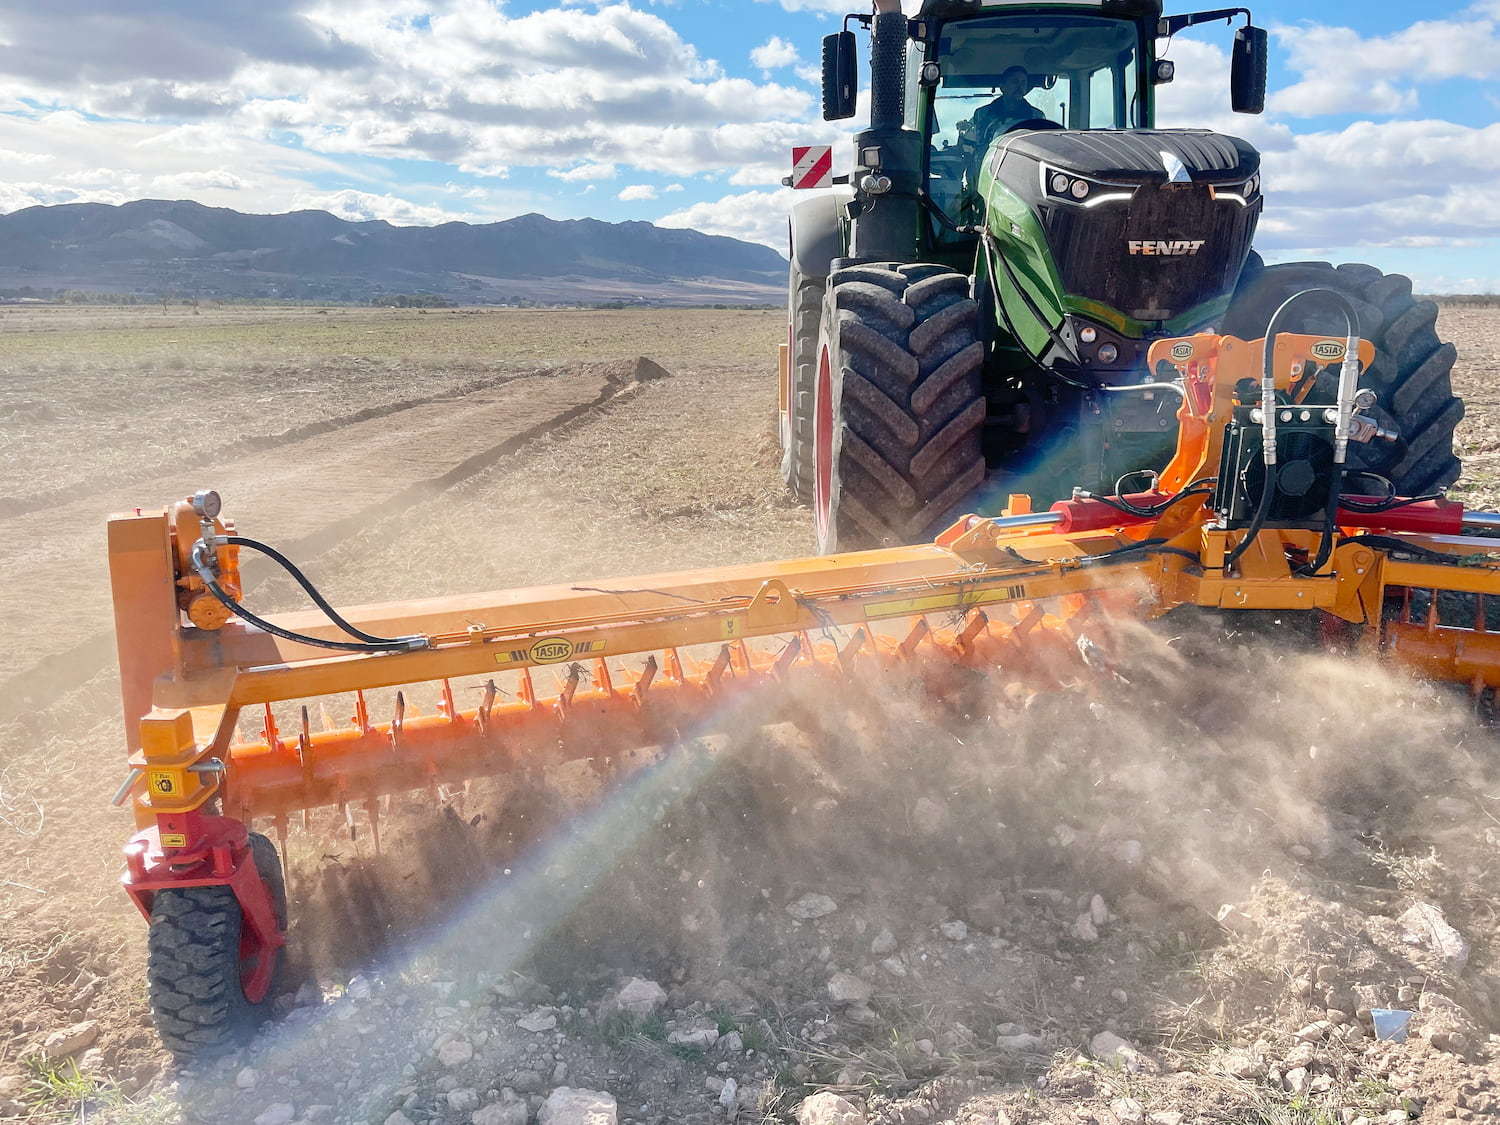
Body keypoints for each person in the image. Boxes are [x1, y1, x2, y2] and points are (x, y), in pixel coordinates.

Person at [970, 66, 1046, 146]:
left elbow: (1041, 146)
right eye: (1015, 82)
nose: (1020, 87)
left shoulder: (1037, 117)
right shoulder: (982, 114)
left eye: (1023, 83)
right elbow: (974, 144)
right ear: (1002, 87)